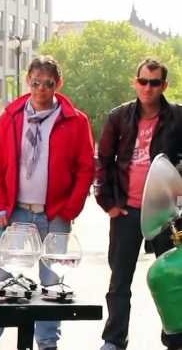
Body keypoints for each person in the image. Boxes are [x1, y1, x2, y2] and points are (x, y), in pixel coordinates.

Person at [0, 55, 95, 350]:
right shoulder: (12, 116)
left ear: (58, 84)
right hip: (17, 211)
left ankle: (47, 343)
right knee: (3, 279)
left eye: (48, 83)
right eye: (35, 82)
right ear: (27, 80)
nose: (41, 88)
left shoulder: (75, 120)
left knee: (52, 282)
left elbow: (85, 168)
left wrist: (71, 209)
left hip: (55, 213)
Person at [96, 57, 182, 350]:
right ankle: (114, 339)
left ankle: (176, 339)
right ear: (136, 82)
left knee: (174, 279)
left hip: (166, 214)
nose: (148, 87)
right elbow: (104, 162)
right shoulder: (119, 116)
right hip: (126, 210)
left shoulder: (177, 117)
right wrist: (108, 203)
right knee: (119, 283)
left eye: (154, 82)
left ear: (164, 85)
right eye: (143, 81)